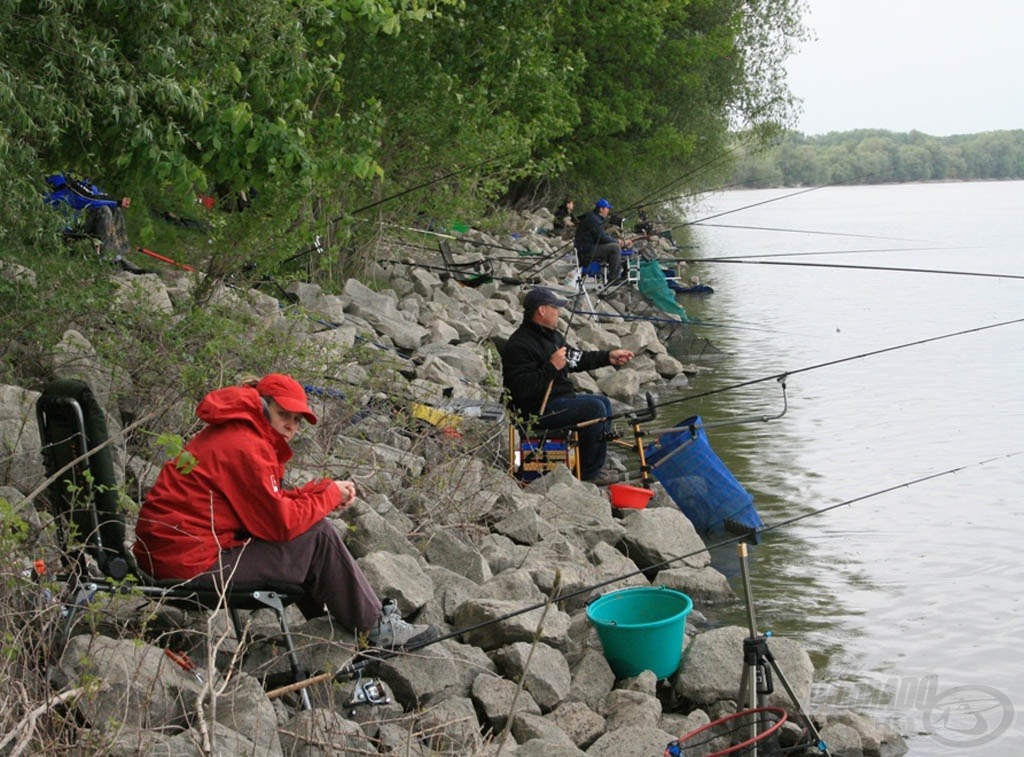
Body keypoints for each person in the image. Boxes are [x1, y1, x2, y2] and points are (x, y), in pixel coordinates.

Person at [132, 373, 438, 650]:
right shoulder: (246, 445)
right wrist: (329, 496)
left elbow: (258, 504)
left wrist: (321, 491)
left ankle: (338, 640)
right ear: (262, 407)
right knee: (317, 537)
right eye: (283, 415)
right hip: (188, 566)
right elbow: (280, 525)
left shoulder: (235, 432)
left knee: (307, 541)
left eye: (297, 419)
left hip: (173, 555)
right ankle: (374, 629)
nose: (291, 426)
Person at [502, 287, 635, 486]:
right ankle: (589, 474)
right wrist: (551, 367)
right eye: (555, 308)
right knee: (594, 410)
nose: (560, 312)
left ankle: (591, 464)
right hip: (536, 410)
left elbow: (577, 359)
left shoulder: (552, 337)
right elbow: (522, 389)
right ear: (542, 311)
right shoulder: (519, 344)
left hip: (560, 400)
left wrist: (608, 357)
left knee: (603, 403)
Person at [573, 198, 623, 282]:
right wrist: (617, 242)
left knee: (614, 245)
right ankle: (613, 279)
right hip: (587, 250)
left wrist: (616, 240)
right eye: (607, 208)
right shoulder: (594, 220)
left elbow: (602, 235)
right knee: (615, 248)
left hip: (589, 247)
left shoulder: (594, 218)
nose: (608, 211)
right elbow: (602, 238)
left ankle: (618, 274)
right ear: (601, 209)